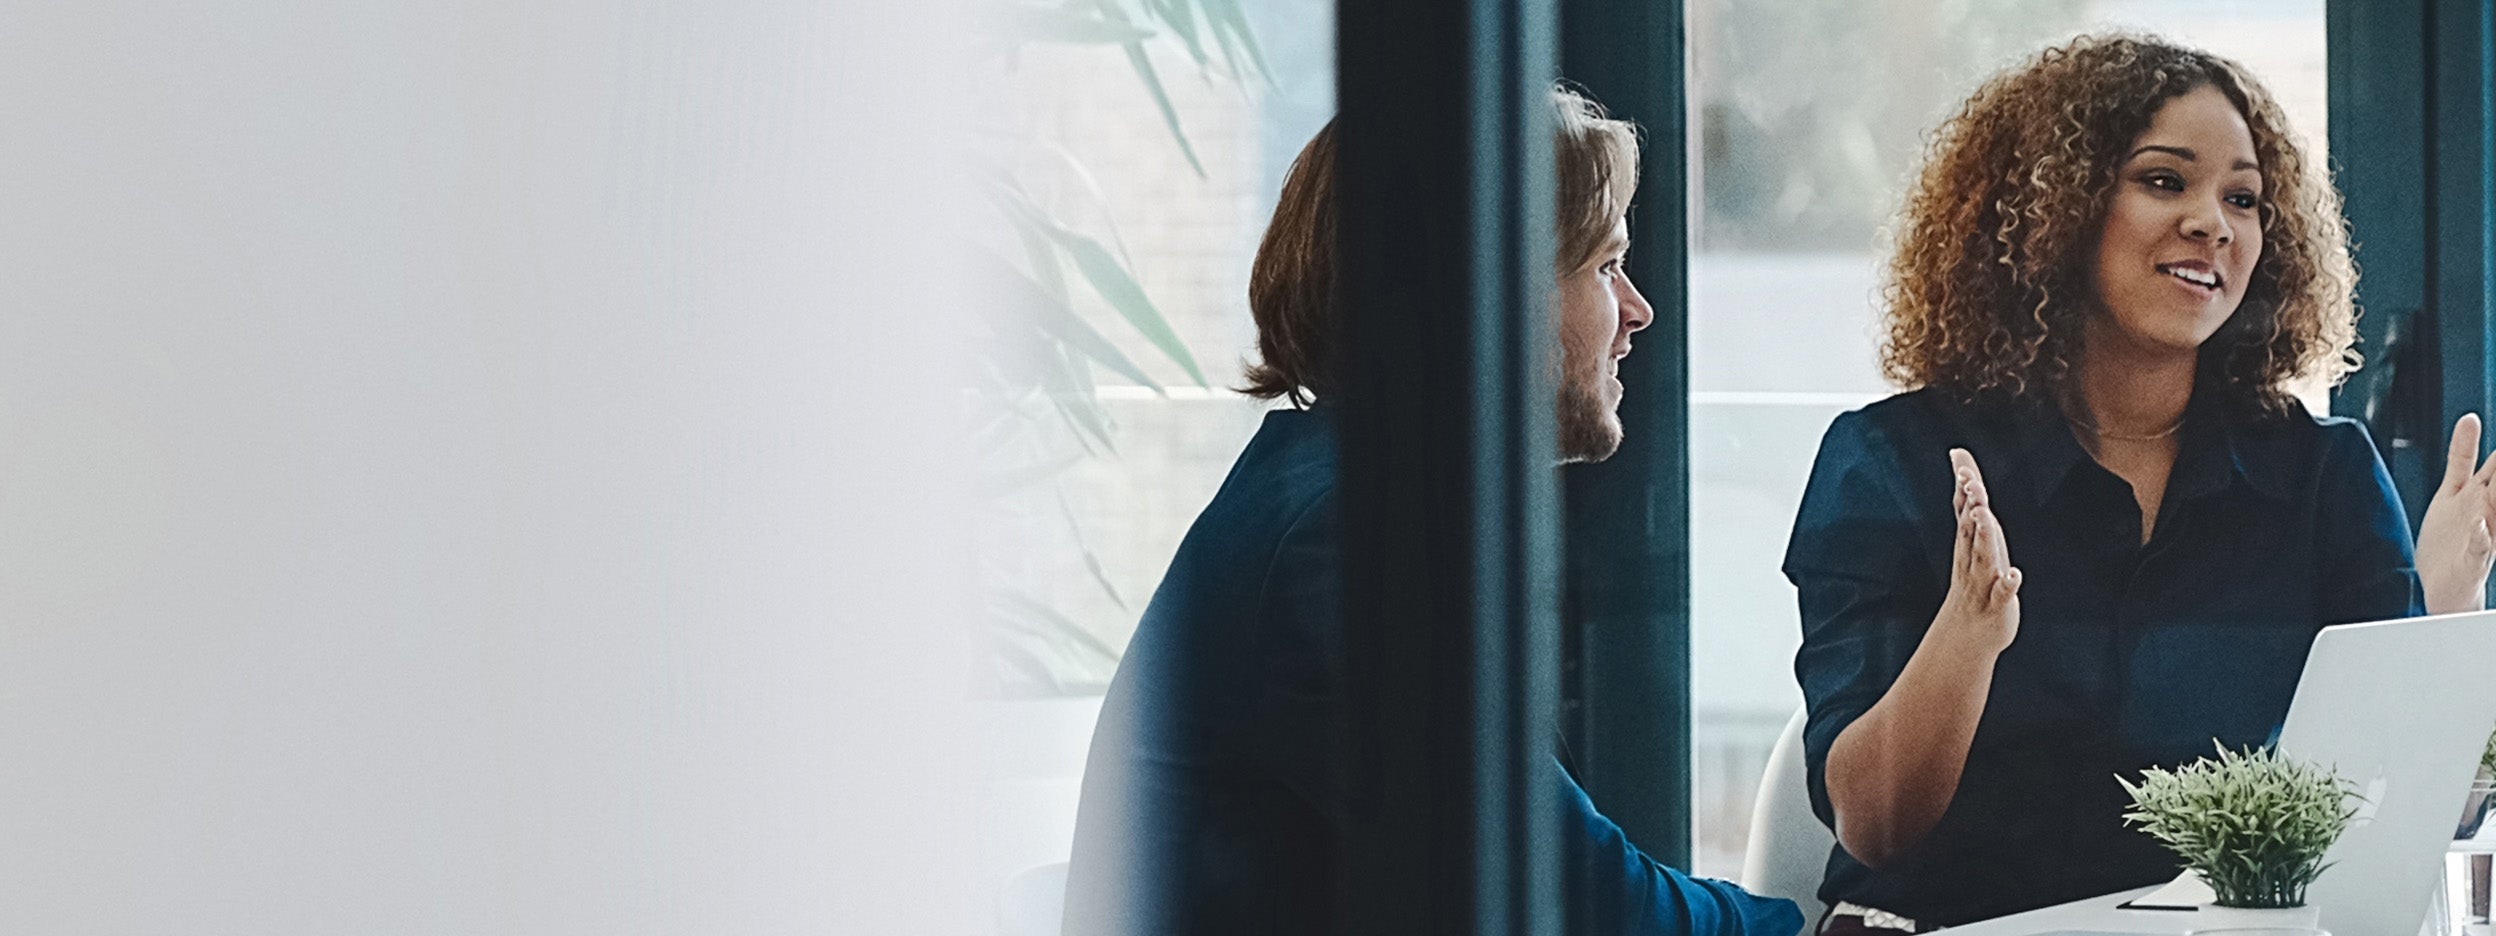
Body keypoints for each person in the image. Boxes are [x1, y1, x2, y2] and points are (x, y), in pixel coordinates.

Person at [1784, 33, 2496, 933]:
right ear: (2055, 210)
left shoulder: (2326, 478)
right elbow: (1875, 823)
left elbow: (2388, 809)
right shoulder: (1893, 462)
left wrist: (2446, 623)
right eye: (2165, 181)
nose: (2214, 221)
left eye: (2243, 197)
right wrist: (1969, 633)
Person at [1061, 88, 1804, 936]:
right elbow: (1579, 901)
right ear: (1489, 296)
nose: (1637, 311)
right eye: (1604, 266)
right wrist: (1803, 927)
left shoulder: (1332, 496)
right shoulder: (1338, 536)